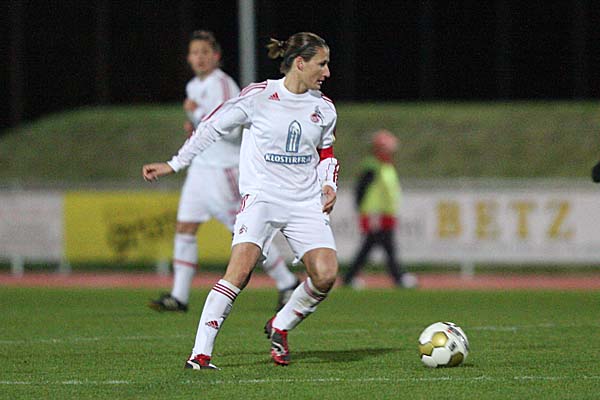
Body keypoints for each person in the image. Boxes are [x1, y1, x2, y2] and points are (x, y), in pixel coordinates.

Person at [143, 31, 339, 369]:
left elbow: (326, 153)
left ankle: (280, 325)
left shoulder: (324, 108)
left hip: (305, 202)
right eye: (321, 64)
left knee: (325, 275)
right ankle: (200, 355)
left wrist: (329, 184)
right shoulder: (258, 96)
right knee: (239, 271)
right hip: (262, 197)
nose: (327, 72)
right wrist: (175, 164)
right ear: (299, 63)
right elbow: (211, 127)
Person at [148, 30, 298, 313]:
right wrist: (194, 124)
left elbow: (232, 131)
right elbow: (205, 125)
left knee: (247, 233)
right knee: (185, 228)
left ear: (216, 56)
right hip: (199, 170)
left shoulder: (223, 84)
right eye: (195, 53)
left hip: (223, 171)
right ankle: (179, 296)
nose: (200, 58)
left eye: (205, 52)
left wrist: (196, 115)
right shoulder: (194, 86)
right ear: (188, 58)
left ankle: (287, 281)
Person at [342, 130, 417, 289]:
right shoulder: (372, 167)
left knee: (371, 247)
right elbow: (360, 190)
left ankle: (349, 278)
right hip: (375, 215)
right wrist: (363, 210)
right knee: (386, 247)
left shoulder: (386, 167)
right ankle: (399, 278)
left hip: (386, 214)